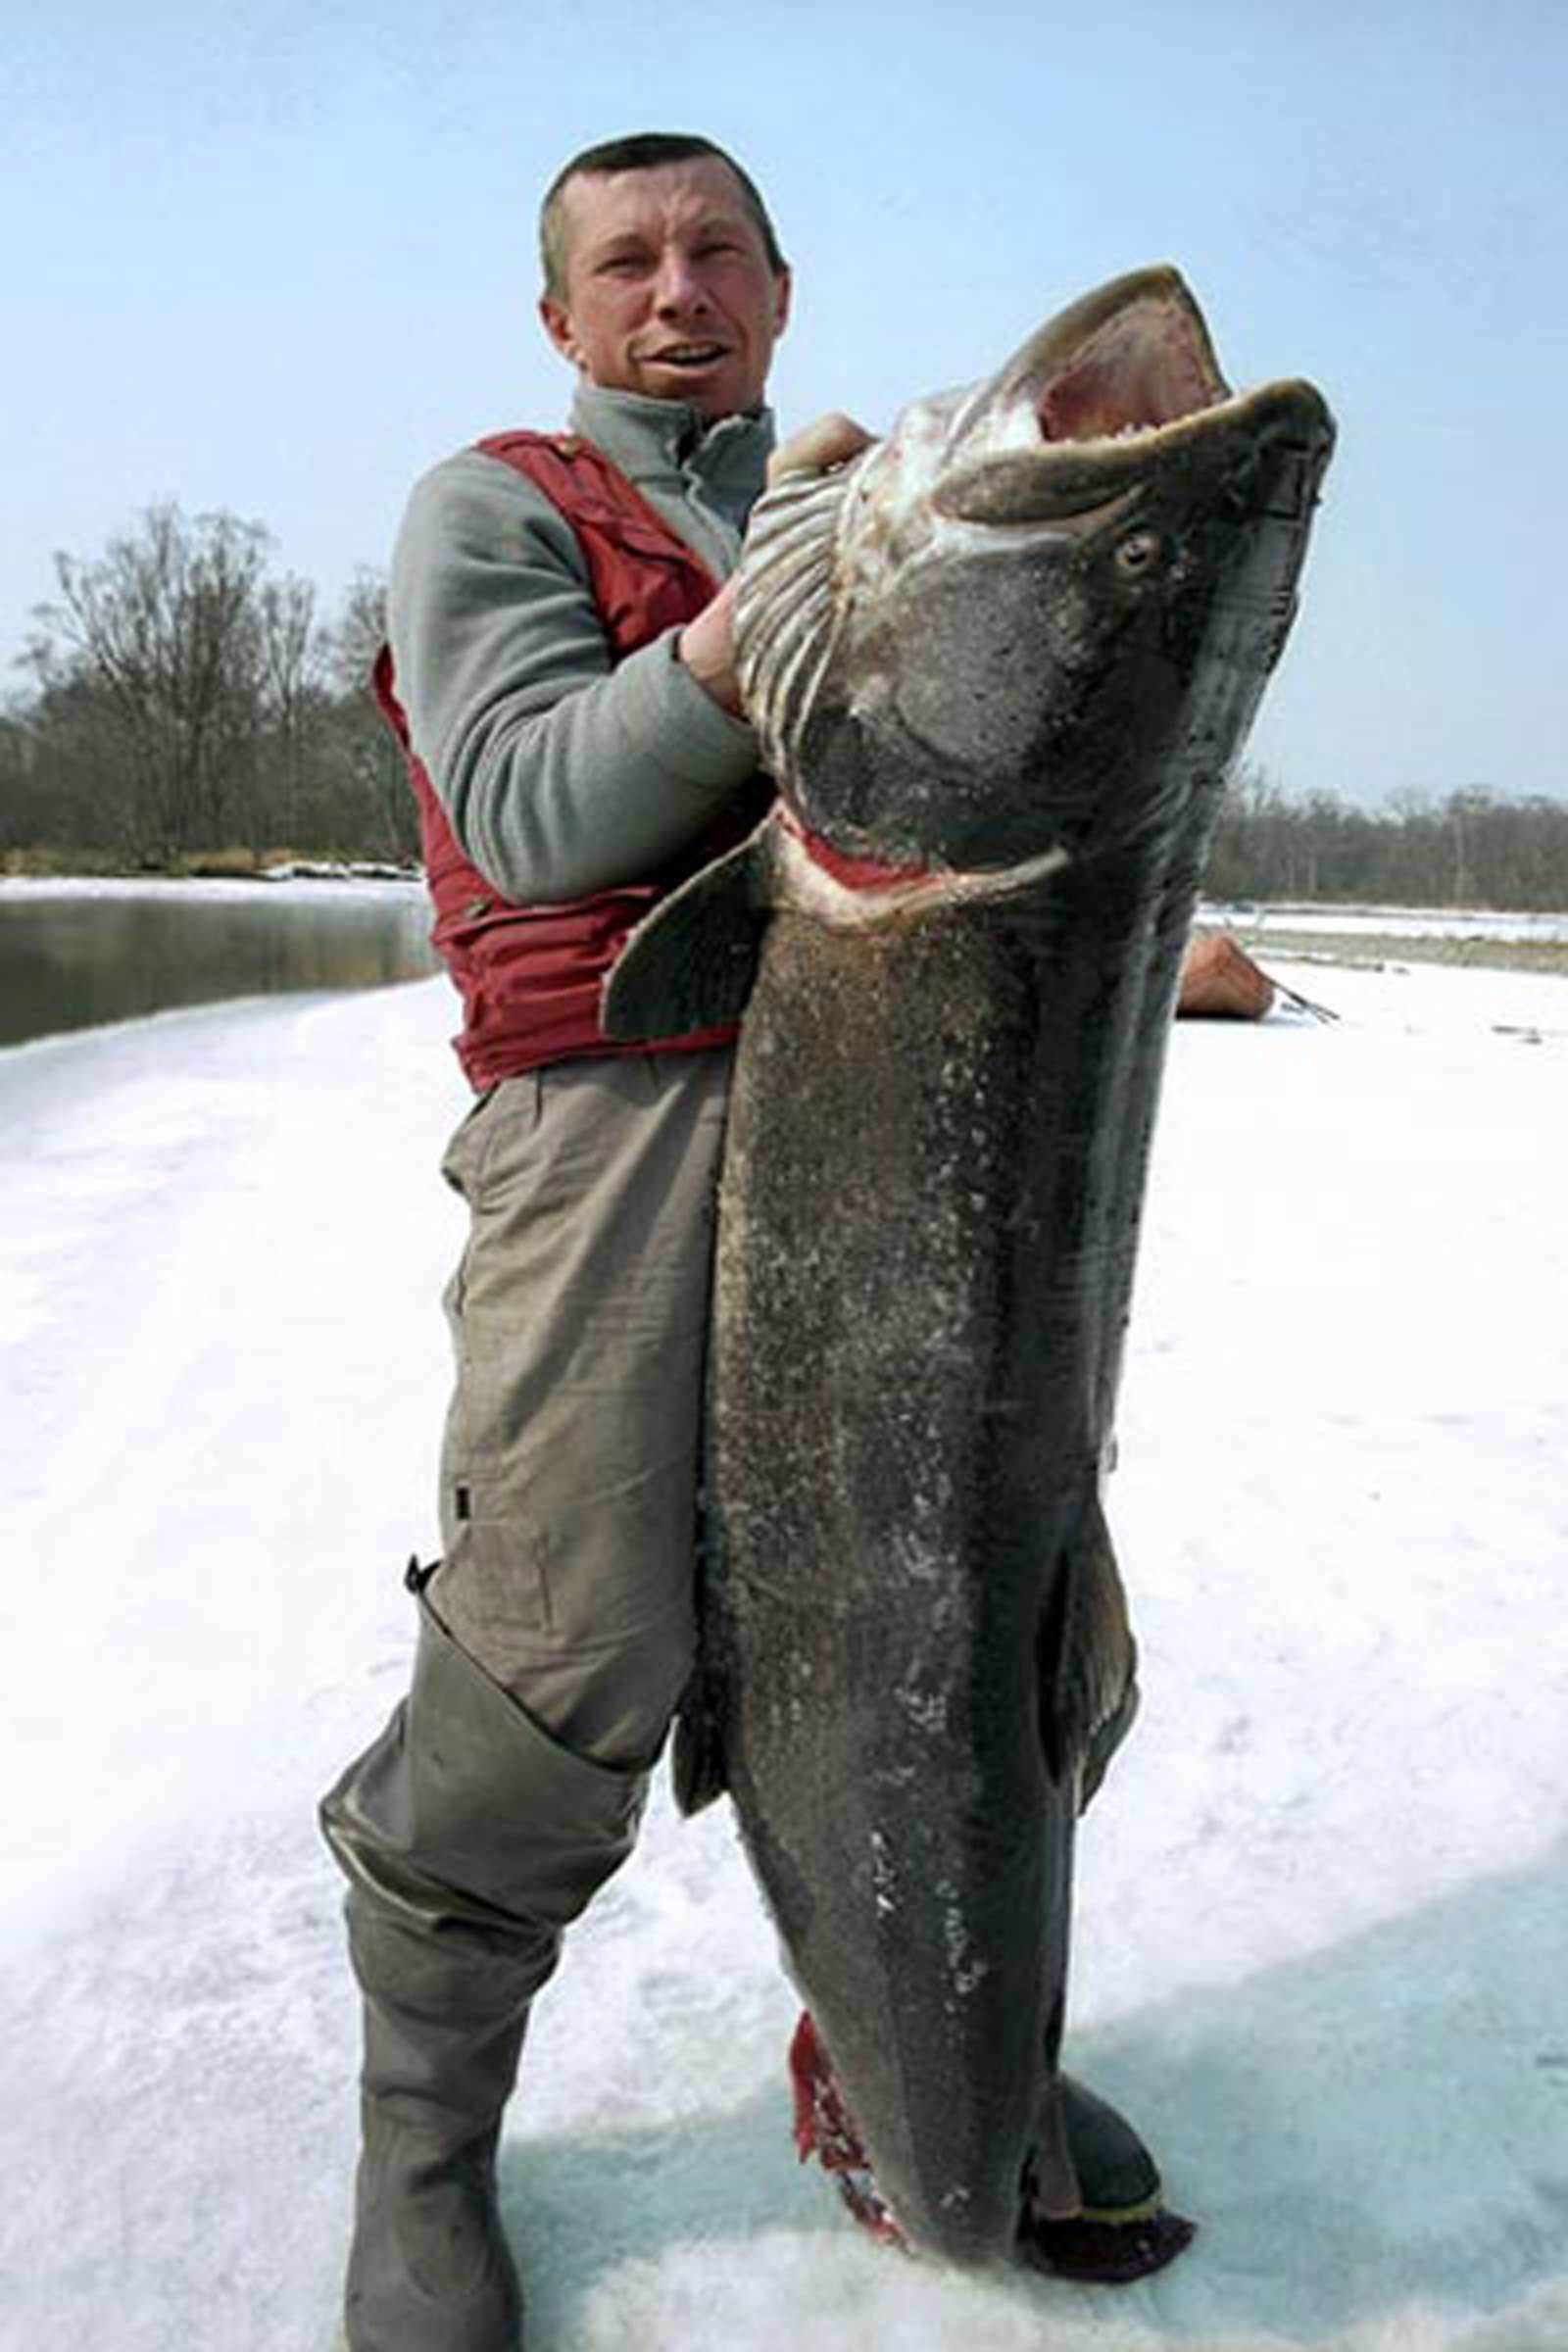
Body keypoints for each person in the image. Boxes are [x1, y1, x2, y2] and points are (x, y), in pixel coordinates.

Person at [319, 132, 1187, 2352]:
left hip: (905, 1116)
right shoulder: (491, 505)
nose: (673, 288)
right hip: (609, 1135)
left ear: (779, 290)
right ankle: (420, 2153)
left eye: (715, 250)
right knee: (563, 1651)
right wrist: (732, 644)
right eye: (625, 259)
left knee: (966, 1604)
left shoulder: (841, 508)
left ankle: (893, 2034)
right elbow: (521, 806)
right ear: (561, 316)